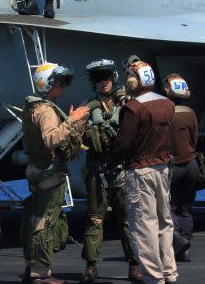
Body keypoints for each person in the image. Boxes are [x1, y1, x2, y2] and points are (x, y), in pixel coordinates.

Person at [109, 56, 178, 284]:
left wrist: (111, 159)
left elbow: (124, 143)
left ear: (133, 82)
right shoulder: (168, 104)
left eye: (129, 77)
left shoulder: (133, 108)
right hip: (163, 169)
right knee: (164, 222)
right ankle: (169, 273)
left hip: (140, 172)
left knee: (143, 225)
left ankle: (153, 278)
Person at [20, 62, 90, 284]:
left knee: (36, 219)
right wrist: (72, 120)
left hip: (36, 168)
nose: (62, 87)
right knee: (45, 222)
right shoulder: (47, 111)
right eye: (59, 83)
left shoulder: (32, 106)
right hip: (49, 172)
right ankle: (40, 273)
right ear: (49, 84)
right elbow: (51, 140)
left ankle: (33, 267)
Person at [79, 60, 142, 283]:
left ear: (112, 77)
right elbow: (77, 136)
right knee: (95, 219)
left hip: (121, 169)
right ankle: (91, 265)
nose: (103, 82)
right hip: (98, 168)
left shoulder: (126, 103)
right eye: (98, 78)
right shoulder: (87, 107)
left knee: (127, 219)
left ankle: (134, 264)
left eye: (106, 77)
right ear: (92, 83)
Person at [163, 73, 198, 263]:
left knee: (170, 207)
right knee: (185, 208)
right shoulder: (191, 114)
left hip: (173, 166)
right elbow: (195, 139)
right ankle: (187, 244)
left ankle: (178, 242)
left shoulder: (166, 114)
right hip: (191, 165)